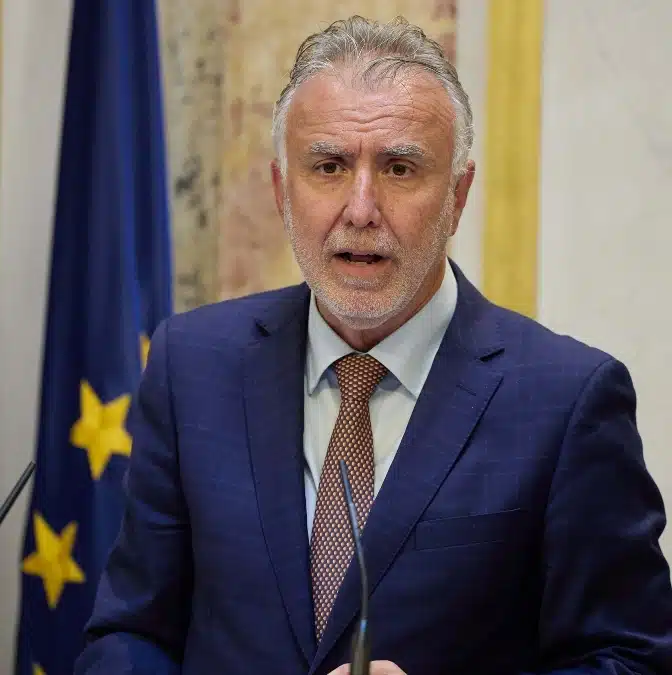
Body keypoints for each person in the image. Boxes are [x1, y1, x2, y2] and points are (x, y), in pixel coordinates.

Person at [75, 15, 672, 675]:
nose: (361, 209)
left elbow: (633, 659)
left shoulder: (567, 401)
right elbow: (130, 633)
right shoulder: (191, 365)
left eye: (399, 168)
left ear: (458, 195)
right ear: (281, 191)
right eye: (328, 166)